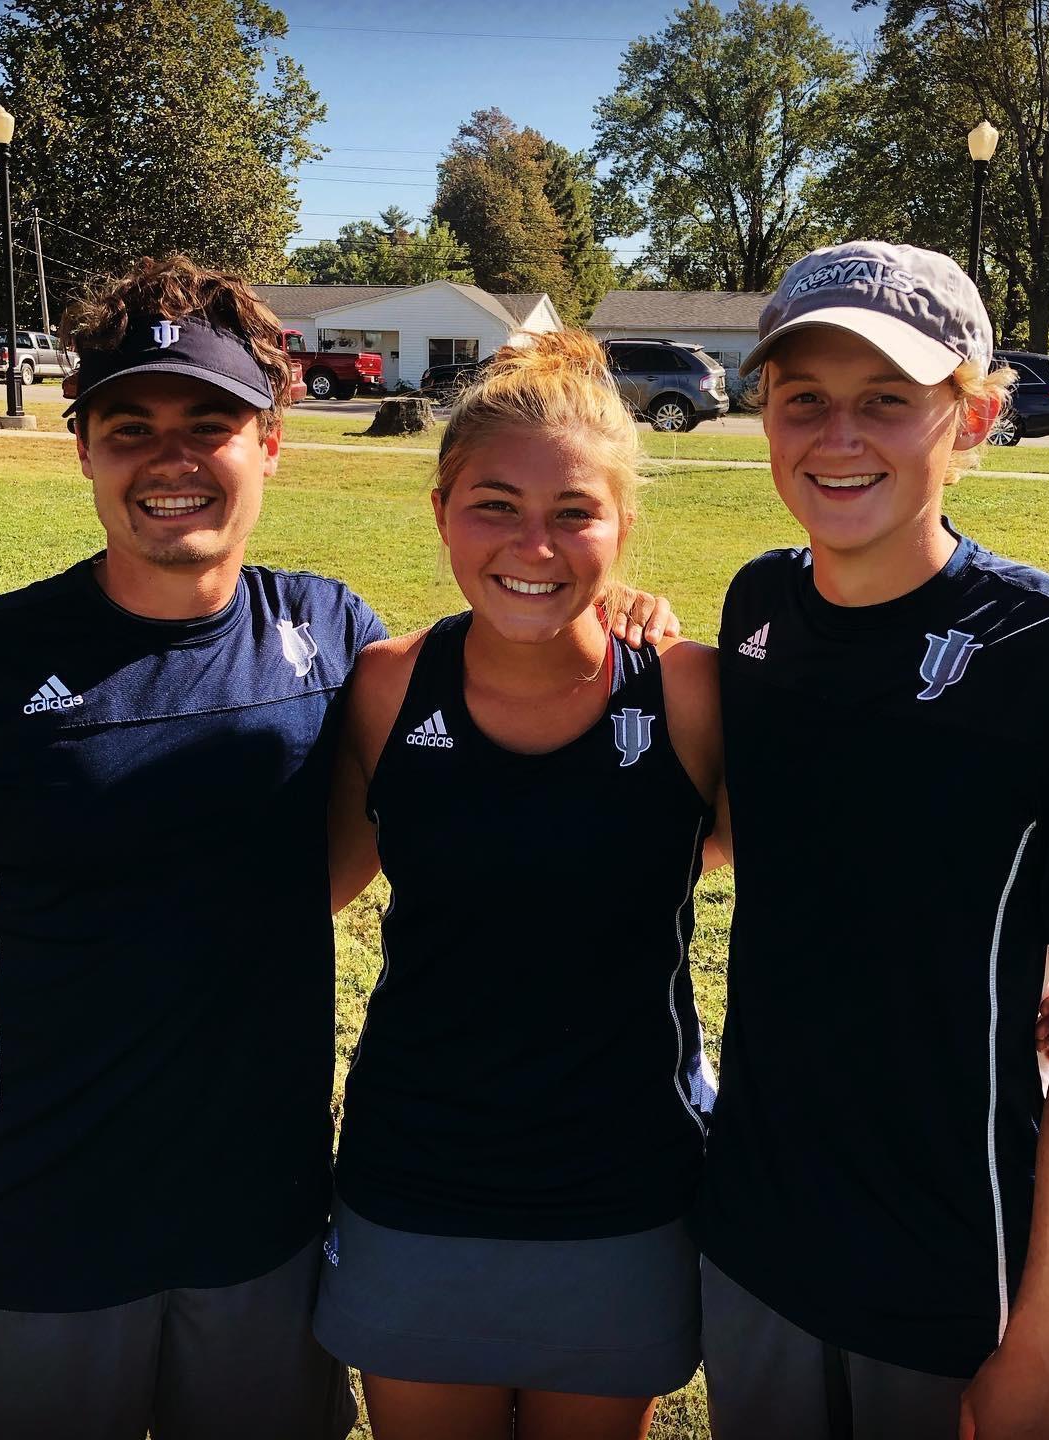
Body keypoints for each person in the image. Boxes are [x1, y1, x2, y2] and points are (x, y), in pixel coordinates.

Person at [0, 254, 676, 1439]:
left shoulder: (335, 644)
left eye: (209, 425)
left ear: (269, 443)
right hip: (33, 1239)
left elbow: (470, 728)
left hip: (267, 1248)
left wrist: (619, 606)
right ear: (83, 448)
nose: (171, 459)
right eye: (130, 427)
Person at [695, 241, 1049, 1440]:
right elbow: (730, 824)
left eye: (888, 400)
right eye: (803, 399)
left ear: (975, 415)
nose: (838, 437)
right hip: (757, 1249)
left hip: (961, 1280)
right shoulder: (757, 606)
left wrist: (1039, 1344)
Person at [313, 329, 727, 1440]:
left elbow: (818, 869)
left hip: (625, 1189)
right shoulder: (387, 687)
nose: (532, 544)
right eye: (495, 505)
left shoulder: (692, 695)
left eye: (574, 513)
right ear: (441, 509)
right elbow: (306, 891)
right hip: (416, 1179)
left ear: (624, 526)